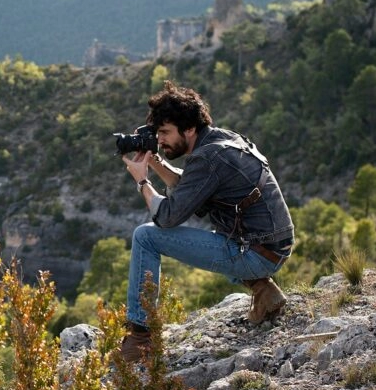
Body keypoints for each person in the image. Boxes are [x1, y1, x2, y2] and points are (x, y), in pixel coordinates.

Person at [118, 81, 294, 363]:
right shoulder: (223, 141)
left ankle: (140, 337)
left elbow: (166, 217)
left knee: (145, 236)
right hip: (270, 245)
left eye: (165, 133)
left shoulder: (207, 158)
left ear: (188, 130)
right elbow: (188, 187)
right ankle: (264, 291)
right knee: (213, 234)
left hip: (254, 252)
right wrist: (154, 163)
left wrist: (142, 181)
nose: (160, 140)